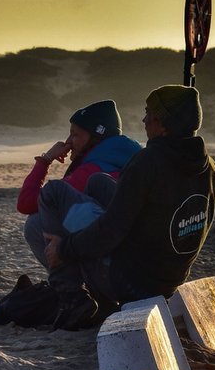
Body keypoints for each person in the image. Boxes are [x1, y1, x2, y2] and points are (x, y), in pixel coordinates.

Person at [44, 85, 215, 327]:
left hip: (133, 283)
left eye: (149, 113)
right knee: (98, 183)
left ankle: (71, 297)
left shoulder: (147, 163)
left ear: (162, 123)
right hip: (170, 279)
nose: (144, 120)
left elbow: (110, 232)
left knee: (53, 192)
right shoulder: (210, 169)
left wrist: (64, 249)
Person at [19, 100, 142, 284]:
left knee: (35, 224)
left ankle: (71, 288)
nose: (68, 143)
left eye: (75, 135)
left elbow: (26, 202)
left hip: (117, 269)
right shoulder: (130, 159)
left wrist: (45, 160)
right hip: (137, 258)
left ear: (96, 137)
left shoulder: (94, 171)